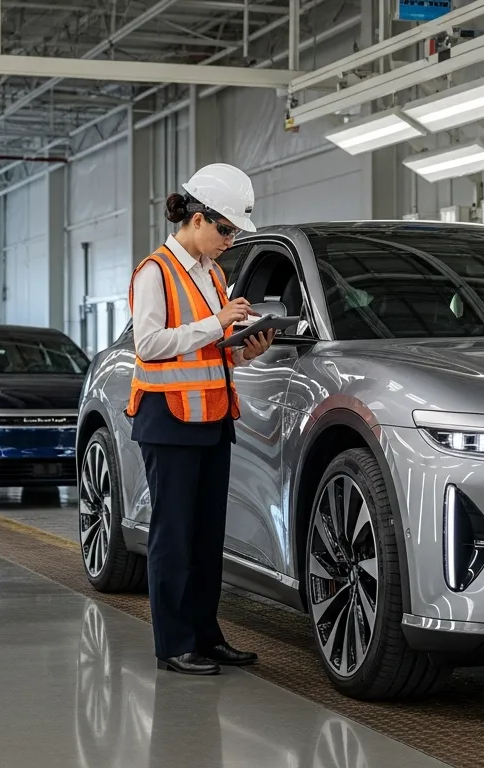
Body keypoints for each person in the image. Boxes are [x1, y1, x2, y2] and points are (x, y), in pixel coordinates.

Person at [127, 163, 276, 676]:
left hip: (211, 417)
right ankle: (174, 644)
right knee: (173, 535)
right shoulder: (155, 272)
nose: (230, 241)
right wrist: (217, 322)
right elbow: (148, 344)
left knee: (208, 535)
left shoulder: (214, 275)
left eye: (233, 233)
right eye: (226, 230)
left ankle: (206, 637)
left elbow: (211, 351)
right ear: (197, 219)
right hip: (168, 420)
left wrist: (245, 350)